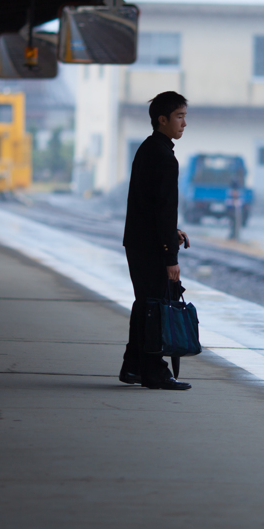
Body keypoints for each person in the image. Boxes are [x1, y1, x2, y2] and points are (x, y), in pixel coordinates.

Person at [120, 91, 192, 390]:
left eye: (185, 116)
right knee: (155, 306)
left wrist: (169, 233)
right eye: (179, 117)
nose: (184, 123)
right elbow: (163, 208)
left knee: (145, 304)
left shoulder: (148, 148)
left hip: (139, 241)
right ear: (162, 120)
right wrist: (170, 256)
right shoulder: (164, 156)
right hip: (152, 247)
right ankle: (154, 371)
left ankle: (133, 366)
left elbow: (150, 205)